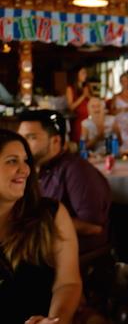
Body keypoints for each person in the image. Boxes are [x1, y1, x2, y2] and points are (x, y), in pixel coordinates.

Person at [0, 129, 82, 323]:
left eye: (26, 161)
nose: (25, 170)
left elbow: (67, 283)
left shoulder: (50, 215)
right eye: (12, 161)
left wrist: (56, 320)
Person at [17, 110, 111, 255]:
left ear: (55, 141)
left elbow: (93, 227)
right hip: (38, 247)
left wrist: (36, 223)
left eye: (31, 137)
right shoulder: (32, 169)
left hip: (75, 255)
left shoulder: (77, 170)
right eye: (20, 138)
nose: (22, 144)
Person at [65, 66, 91, 143]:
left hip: (89, 120)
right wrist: (83, 96)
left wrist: (88, 95)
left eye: (85, 73)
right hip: (79, 121)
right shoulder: (70, 88)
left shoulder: (87, 87)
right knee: (81, 143)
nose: (85, 75)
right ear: (76, 74)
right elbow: (71, 107)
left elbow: (92, 101)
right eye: (83, 73)